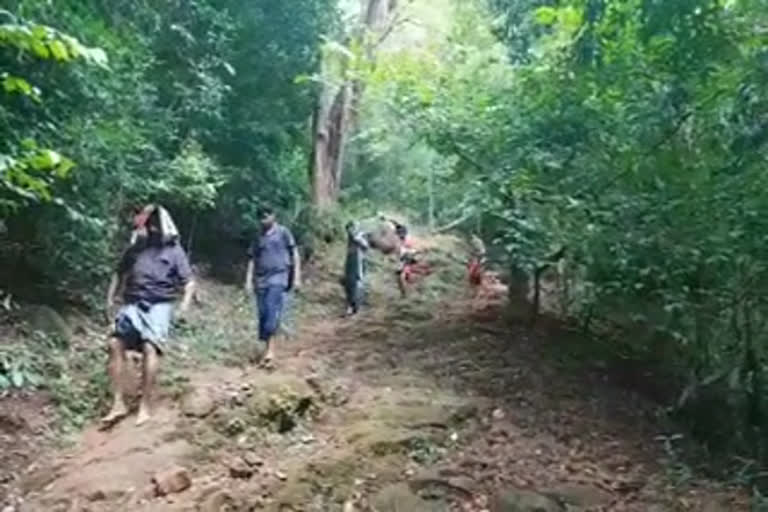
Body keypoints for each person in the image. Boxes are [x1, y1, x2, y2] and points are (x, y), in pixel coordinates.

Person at [101, 205, 195, 428]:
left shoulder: (174, 251)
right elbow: (119, 273)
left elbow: (189, 282)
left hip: (159, 305)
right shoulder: (134, 249)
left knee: (150, 347)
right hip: (132, 303)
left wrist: (184, 305)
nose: (150, 227)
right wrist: (109, 299)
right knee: (115, 343)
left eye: (153, 223)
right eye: (147, 223)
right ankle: (118, 403)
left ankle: (145, 405)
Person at [244, 206, 301, 367]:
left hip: (279, 276)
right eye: (260, 217)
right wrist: (248, 281)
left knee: (271, 310)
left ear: (273, 216)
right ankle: (266, 347)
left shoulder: (283, 233)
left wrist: (297, 277)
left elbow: (294, 254)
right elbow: (252, 259)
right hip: (261, 279)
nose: (264, 219)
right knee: (263, 314)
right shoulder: (258, 237)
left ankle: (271, 351)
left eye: (266, 215)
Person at [342, 221, 370, 316]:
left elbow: (365, 246)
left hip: (358, 262)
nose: (350, 231)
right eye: (348, 229)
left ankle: (356, 305)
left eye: (351, 228)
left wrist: (358, 238)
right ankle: (351, 305)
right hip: (350, 261)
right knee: (349, 283)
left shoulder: (360, 236)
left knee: (358, 282)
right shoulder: (352, 237)